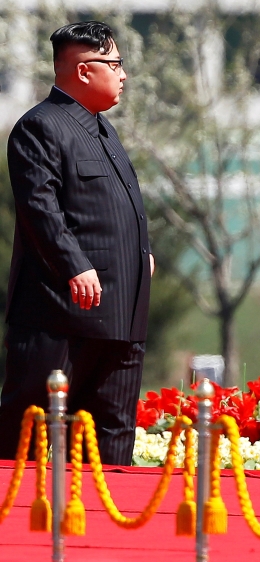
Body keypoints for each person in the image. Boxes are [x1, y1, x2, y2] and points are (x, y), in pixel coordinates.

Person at [0, 21, 154, 466]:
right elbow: (40, 209)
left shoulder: (104, 131)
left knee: (110, 433)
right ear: (85, 71)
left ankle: (103, 524)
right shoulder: (40, 127)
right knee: (30, 428)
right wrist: (74, 265)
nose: (123, 75)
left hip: (121, 311)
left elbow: (112, 209)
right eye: (116, 64)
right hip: (60, 315)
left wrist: (141, 255)